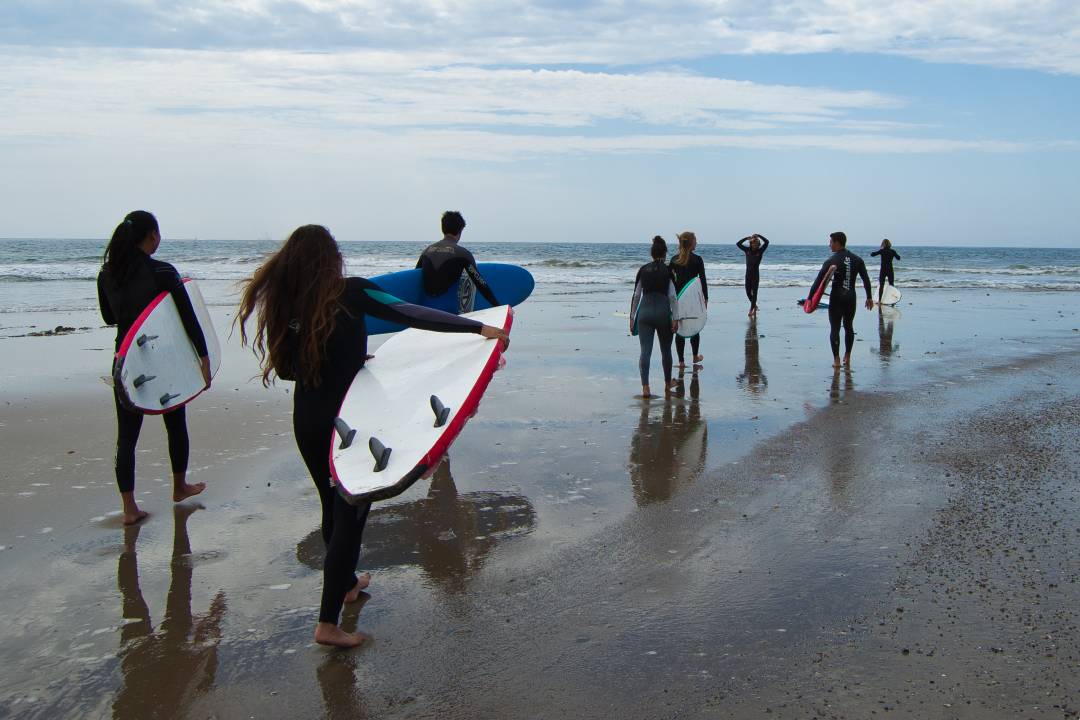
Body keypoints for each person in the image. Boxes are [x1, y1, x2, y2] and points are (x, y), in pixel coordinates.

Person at [237, 224, 508, 649]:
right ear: (331, 260)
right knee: (352, 513)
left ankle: (345, 583)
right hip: (348, 421)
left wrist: (344, 358)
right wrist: (475, 329)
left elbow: (291, 370)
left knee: (333, 502)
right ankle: (327, 625)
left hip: (307, 419)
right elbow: (410, 313)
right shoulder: (353, 292)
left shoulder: (289, 306)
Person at [97, 211, 211, 526]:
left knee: (126, 438)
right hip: (163, 360)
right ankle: (179, 486)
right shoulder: (162, 271)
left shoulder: (107, 273)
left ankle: (129, 508)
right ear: (152, 237)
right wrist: (203, 357)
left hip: (126, 362)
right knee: (175, 422)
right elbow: (188, 318)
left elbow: (109, 317)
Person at [807, 231, 874, 369]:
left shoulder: (831, 261)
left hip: (837, 297)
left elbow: (818, 281)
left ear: (837, 242)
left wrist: (809, 298)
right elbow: (866, 279)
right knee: (849, 327)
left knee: (835, 328)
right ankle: (848, 356)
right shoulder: (857, 259)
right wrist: (869, 297)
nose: (829, 244)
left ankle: (837, 360)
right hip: (851, 297)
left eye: (831, 242)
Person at [416, 211, 499, 313]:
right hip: (449, 312)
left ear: (443, 229)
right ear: (460, 231)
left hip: (424, 311)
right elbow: (480, 284)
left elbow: (415, 277)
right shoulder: (463, 254)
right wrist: (497, 306)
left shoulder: (427, 251)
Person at [630, 236, 679, 398]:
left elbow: (636, 295)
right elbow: (672, 296)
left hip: (644, 313)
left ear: (651, 253)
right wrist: (676, 318)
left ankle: (645, 387)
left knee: (645, 351)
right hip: (663, 313)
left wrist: (632, 318)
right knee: (666, 351)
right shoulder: (668, 271)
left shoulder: (643, 270)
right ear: (665, 253)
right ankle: (667, 384)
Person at [668, 231, 707, 368]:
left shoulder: (673, 260)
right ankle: (695, 356)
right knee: (695, 326)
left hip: (678, 298)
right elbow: (702, 280)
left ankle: (681, 361)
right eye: (695, 240)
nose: (697, 242)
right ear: (691, 243)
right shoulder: (697, 259)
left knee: (680, 328)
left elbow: (670, 282)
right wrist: (705, 299)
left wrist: (669, 300)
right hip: (694, 299)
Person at [736, 233, 770, 317]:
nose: (754, 245)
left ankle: (752, 309)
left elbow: (767, 242)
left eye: (756, 244)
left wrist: (759, 235)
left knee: (754, 293)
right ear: (751, 243)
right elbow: (738, 244)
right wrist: (746, 238)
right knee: (748, 292)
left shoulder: (760, 251)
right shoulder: (747, 250)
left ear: (758, 244)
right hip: (748, 275)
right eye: (753, 243)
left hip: (755, 275)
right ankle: (754, 305)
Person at [870, 238, 901, 302]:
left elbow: (873, 254)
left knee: (881, 285)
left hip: (883, 270)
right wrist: (896, 255)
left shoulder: (882, 251)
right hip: (890, 269)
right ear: (889, 244)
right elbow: (898, 258)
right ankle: (892, 300)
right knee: (891, 285)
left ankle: (879, 301)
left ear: (883, 244)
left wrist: (873, 252)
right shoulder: (892, 251)